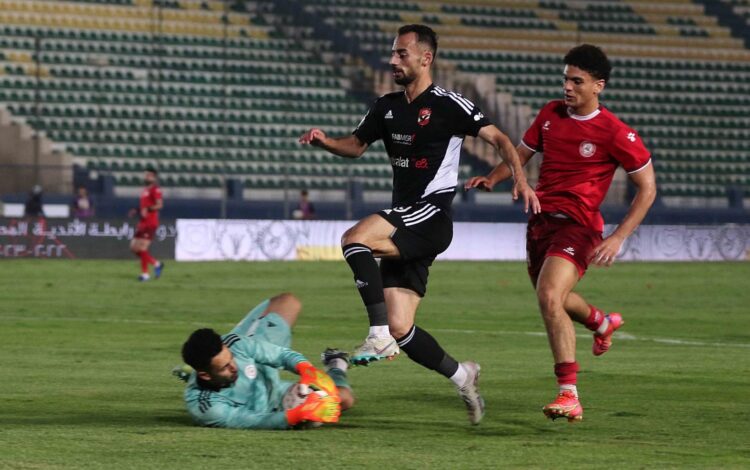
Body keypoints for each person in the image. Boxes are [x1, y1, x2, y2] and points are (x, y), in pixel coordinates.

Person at [299, 24, 539, 425]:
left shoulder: (448, 104)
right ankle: (464, 376)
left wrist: (518, 176)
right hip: (405, 219)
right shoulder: (386, 107)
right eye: (393, 53)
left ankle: (377, 338)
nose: (393, 60)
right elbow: (356, 146)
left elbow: (498, 137)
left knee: (354, 240)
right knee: (401, 326)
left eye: (401, 54)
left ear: (425, 59)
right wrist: (325, 142)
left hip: (430, 216)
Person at [465, 44, 657, 422]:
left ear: (598, 86)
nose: (567, 87)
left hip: (579, 225)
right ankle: (601, 322)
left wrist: (617, 237)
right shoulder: (551, 113)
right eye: (566, 79)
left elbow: (647, 188)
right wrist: (493, 177)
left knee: (550, 296)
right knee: (553, 294)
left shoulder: (615, 133)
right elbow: (521, 154)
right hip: (540, 222)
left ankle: (569, 393)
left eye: (577, 81)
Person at [178, 293, 353, 429]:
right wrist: (295, 415)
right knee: (344, 399)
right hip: (274, 404)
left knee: (288, 302)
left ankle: (249, 333)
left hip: (262, 367)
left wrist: (305, 368)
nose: (234, 366)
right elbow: (254, 421)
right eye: (225, 367)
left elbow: (281, 356)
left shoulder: (233, 344)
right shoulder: (206, 406)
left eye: (230, 359)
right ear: (205, 375)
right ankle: (337, 364)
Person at [129, 167, 164, 282]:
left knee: (142, 248)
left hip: (150, 223)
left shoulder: (155, 190)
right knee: (134, 248)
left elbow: (159, 205)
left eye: (149, 175)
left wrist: (148, 209)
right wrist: (137, 209)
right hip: (142, 222)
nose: (146, 177)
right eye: (145, 175)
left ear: (154, 177)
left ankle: (145, 274)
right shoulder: (145, 190)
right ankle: (156, 264)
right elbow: (144, 206)